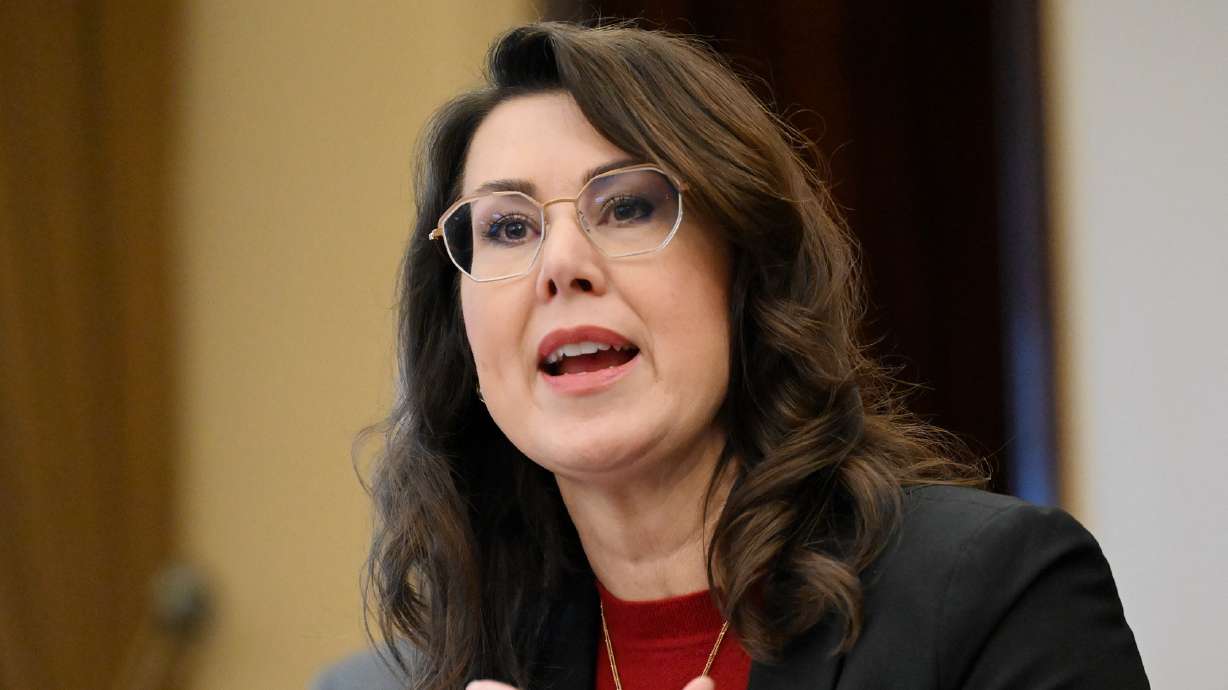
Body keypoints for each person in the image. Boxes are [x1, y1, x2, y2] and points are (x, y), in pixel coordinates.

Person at [314, 21, 1148, 690]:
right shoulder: (391, 683)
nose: (561, 264)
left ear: (746, 270)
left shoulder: (997, 595)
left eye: (628, 207)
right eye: (506, 228)